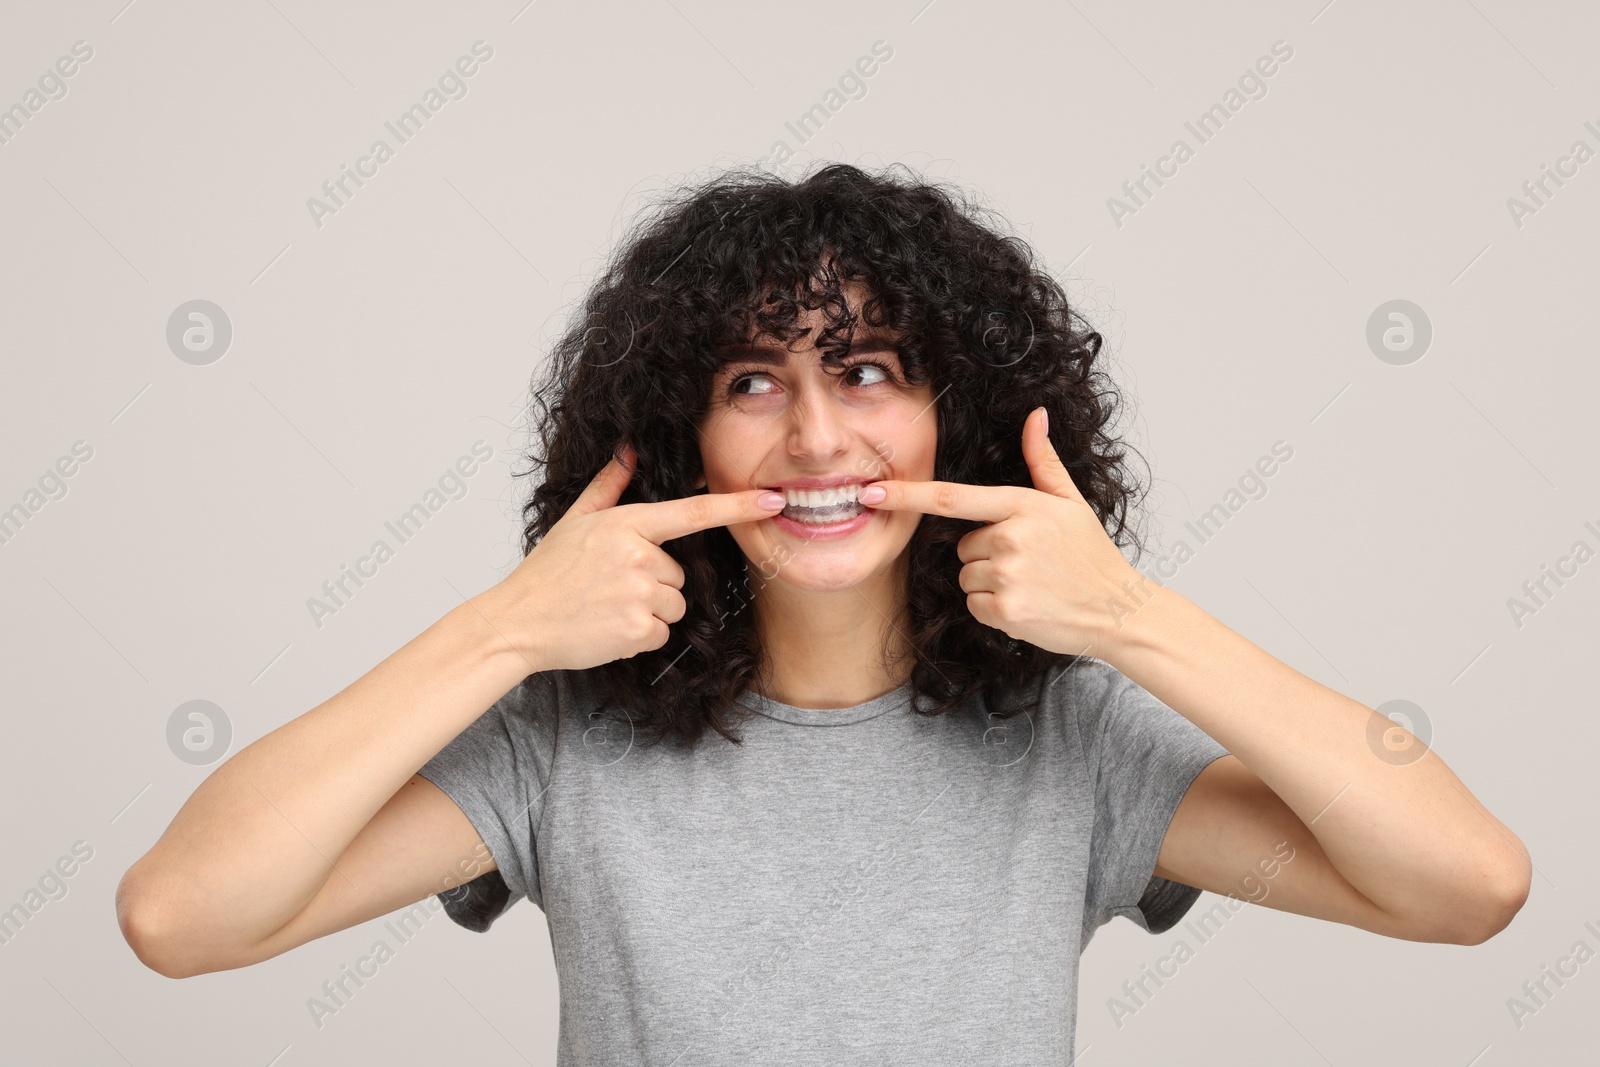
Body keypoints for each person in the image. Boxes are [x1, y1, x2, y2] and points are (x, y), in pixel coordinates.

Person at [116, 163, 1531, 1064]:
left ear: (956, 412)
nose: (814, 439)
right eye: (751, 384)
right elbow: (182, 918)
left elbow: (1468, 886)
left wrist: (1132, 620)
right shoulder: (565, 741)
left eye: (866, 372)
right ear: (683, 435)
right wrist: (503, 629)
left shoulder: (1073, 743)